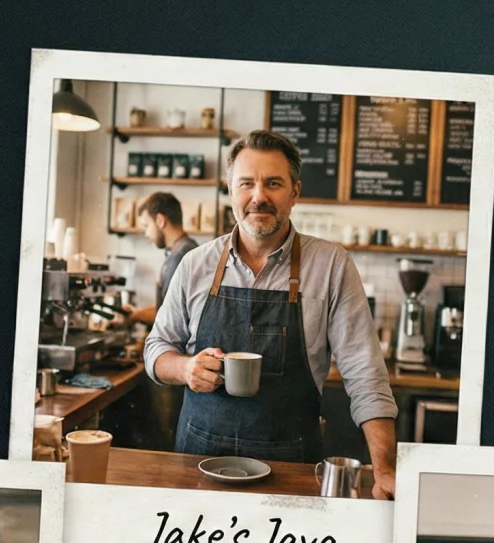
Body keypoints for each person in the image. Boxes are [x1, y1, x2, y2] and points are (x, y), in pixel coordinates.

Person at [142, 129, 397, 495]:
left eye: (273, 183)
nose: (258, 197)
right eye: (246, 183)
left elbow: (366, 375)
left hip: (290, 471)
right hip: (198, 465)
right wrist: (185, 368)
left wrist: (385, 469)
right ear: (230, 190)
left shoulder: (331, 266)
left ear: (295, 192)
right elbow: (155, 349)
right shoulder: (196, 264)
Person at [126, 192, 199, 327]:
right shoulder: (188, 248)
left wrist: (135, 316)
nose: (146, 234)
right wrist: (138, 312)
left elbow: (170, 317)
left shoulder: (178, 258)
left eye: (146, 226)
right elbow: (168, 306)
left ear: (160, 220)